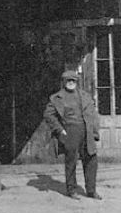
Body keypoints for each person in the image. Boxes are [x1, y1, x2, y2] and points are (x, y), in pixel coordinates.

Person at [43, 66, 100, 199]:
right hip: (70, 131)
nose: (71, 83)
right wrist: (60, 130)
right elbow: (48, 115)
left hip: (86, 131)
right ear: (63, 82)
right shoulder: (57, 98)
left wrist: (95, 131)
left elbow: (93, 114)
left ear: (77, 82)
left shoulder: (84, 96)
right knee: (71, 161)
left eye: (73, 80)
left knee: (91, 159)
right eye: (68, 80)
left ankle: (91, 190)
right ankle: (71, 190)